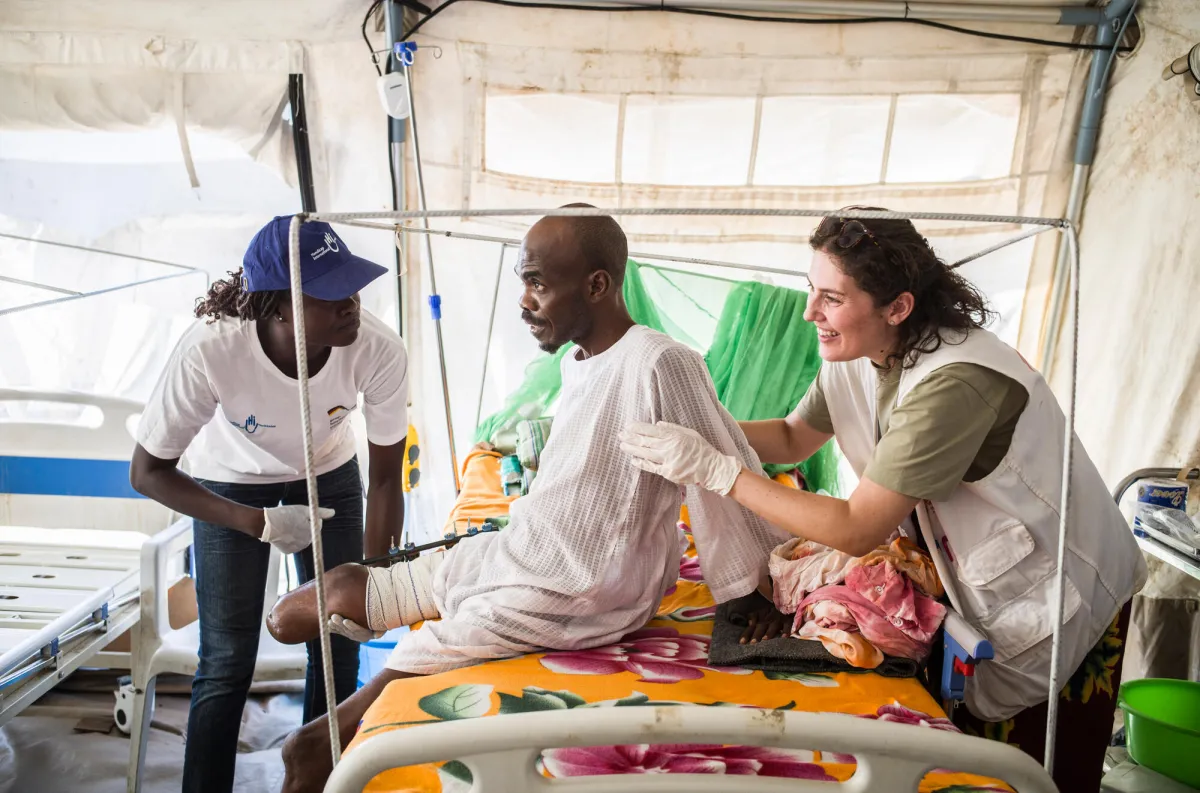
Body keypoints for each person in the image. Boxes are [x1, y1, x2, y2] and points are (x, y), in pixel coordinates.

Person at [620, 208, 1147, 793]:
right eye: (810, 290)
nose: (808, 312)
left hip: (1060, 581)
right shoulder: (863, 354)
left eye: (830, 298)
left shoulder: (956, 383)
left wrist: (718, 470)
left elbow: (856, 528)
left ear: (897, 306)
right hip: (971, 568)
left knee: (1040, 767)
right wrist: (701, 428)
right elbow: (796, 437)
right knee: (967, 742)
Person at [272, 206, 786, 793]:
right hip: (525, 549)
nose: (523, 300)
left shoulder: (660, 362)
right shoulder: (577, 362)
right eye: (523, 280)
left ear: (596, 285)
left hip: (582, 587)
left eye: (537, 282)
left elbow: (722, 471)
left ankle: (323, 741)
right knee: (300, 610)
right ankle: (393, 610)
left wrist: (748, 590)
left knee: (320, 737)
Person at [128, 215, 410, 793]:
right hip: (232, 481)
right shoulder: (212, 351)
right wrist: (252, 521)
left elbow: (384, 481)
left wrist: (371, 580)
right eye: (332, 294)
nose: (353, 303)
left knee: (337, 648)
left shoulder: (378, 349)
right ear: (279, 306)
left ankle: (318, 779)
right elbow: (147, 472)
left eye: (354, 286)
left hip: (329, 474)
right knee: (227, 661)